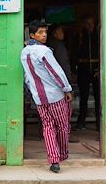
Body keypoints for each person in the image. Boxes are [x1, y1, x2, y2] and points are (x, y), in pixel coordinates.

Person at [21, 20, 73, 173]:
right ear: (32, 35)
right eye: (40, 33)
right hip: (55, 96)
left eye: (45, 32)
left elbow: (26, 77)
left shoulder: (24, 52)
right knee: (62, 126)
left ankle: (53, 159)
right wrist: (67, 89)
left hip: (39, 98)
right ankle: (62, 155)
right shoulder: (44, 51)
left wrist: (32, 91)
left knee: (48, 127)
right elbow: (56, 72)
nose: (44, 35)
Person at [47, 24, 78, 143]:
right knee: (65, 112)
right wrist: (68, 85)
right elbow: (64, 65)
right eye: (61, 31)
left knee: (53, 114)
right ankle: (66, 136)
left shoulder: (48, 45)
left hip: (51, 84)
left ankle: (56, 136)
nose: (63, 34)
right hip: (61, 84)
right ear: (55, 33)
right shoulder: (59, 46)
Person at [72, 14, 100, 131]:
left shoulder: (100, 36)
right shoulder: (79, 37)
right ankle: (81, 122)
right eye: (87, 24)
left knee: (99, 97)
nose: (89, 26)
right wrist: (74, 70)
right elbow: (73, 55)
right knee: (84, 96)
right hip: (83, 69)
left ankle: (100, 123)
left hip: (97, 69)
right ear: (83, 24)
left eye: (91, 23)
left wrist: (100, 68)